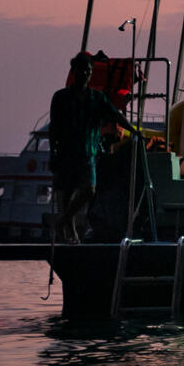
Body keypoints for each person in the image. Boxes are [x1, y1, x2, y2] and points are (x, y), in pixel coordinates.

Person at [48, 53, 123, 242]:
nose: (84, 74)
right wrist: (53, 152)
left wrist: (134, 130)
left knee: (89, 189)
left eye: (88, 71)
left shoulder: (96, 98)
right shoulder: (61, 97)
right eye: (81, 71)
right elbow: (54, 126)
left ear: (91, 74)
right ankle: (70, 233)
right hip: (66, 151)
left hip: (87, 152)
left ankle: (62, 221)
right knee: (66, 193)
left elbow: (115, 115)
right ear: (74, 72)